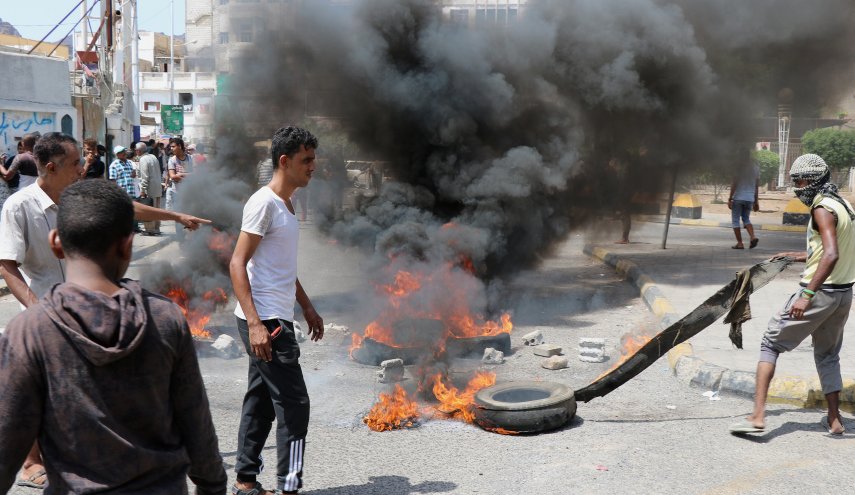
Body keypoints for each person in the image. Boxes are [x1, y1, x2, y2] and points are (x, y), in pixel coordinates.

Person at [0, 133, 211, 487]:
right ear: (50, 168)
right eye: (75, 164)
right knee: (30, 388)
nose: (83, 168)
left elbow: (125, 208)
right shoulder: (19, 207)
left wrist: (174, 214)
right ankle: (31, 461)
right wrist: (39, 311)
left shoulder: (78, 198)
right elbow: (6, 265)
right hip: (46, 308)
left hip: (89, 305)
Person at [730, 154, 855, 436]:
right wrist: (796, 256)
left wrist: (806, 295)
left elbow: (832, 254)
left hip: (819, 293)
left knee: (770, 343)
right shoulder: (843, 204)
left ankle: (758, 416)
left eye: (800, 181)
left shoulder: (822, 208)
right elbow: (831, 250)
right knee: (828, 355)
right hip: (843, 294)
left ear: (814, 181)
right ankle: (835, 421)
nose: (798, 188)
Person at [229, 126, 324, 495]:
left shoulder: (286, 204)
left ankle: (245, 481)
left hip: (274, 314)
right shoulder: (263, 203)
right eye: (307, 160)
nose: (313, 167)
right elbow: (238, 264)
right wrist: (255, 324)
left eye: (313, 159)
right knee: (295, 406)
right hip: (266, 321)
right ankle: (289, 487)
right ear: (284, 161)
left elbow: (282, 267)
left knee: (261, 400)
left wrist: (307, 307)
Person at [728, 155, 760, 249]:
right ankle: (753, 237)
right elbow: (756, 186)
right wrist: (756, 201)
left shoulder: (738, 167)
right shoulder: (755, 168)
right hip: (750, 198)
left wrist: (730, 198)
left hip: (738, 197)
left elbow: (734, 183)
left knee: (735, 220)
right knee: (746, 219)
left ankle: (740, 243)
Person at [136, 142, 164, 236]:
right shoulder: (153, 157)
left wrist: (143, 190)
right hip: (157, 187)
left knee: (149, 209)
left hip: (150, 189)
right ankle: (156, 228)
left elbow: (145, 176)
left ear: (138, 151)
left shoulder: (143, 159)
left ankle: (150, 229)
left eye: (136, 150)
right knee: (156, 209)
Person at [166, 137, 193, 211]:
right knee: (178, 214)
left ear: (180, 146)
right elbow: (173, 176)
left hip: (189, 191)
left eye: (173, 146)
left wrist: (180, 174)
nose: (171, 148)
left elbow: (196, 174)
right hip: (176, 192)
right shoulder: (172, 160)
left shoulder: (190, 158)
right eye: (171, 147)